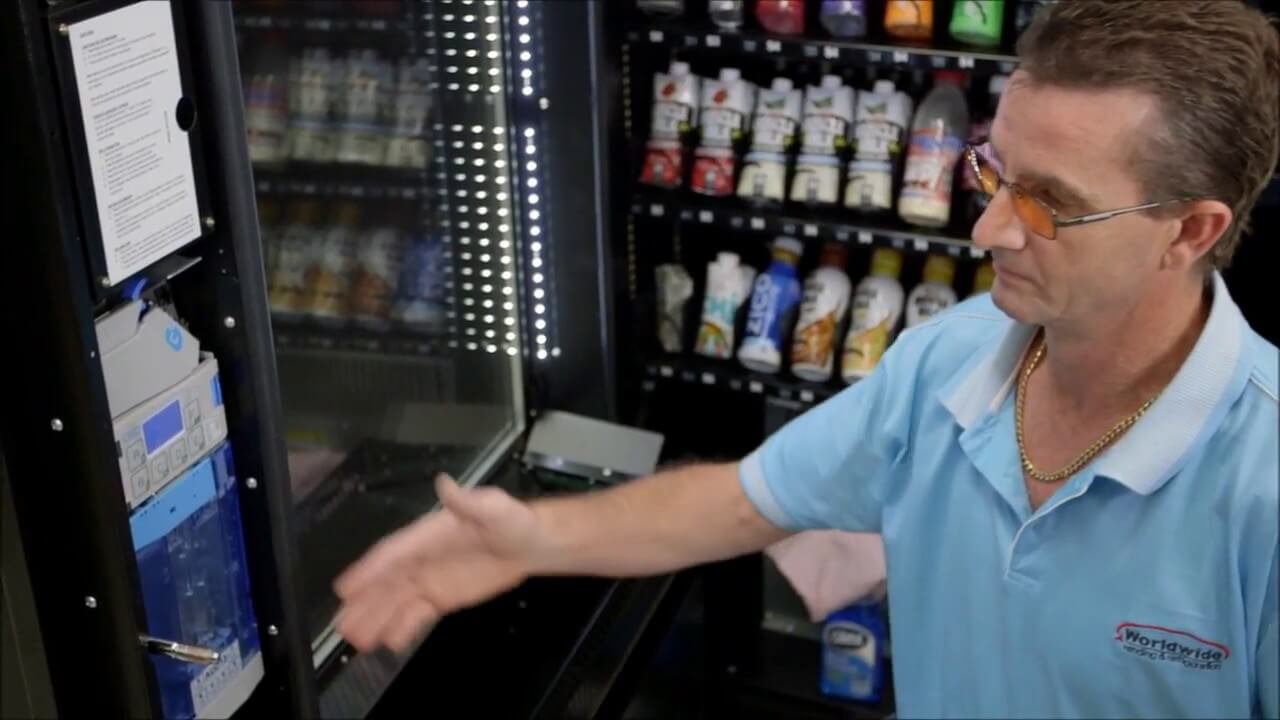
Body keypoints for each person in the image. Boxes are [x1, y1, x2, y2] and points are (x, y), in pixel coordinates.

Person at [334, 2, 1279, 717]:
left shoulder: (1265, 479)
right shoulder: (947, 362)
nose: (989, 226)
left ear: (1189, 231)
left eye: (1050, 202)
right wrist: (535, 540)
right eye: (993, 172)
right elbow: (746, 499)